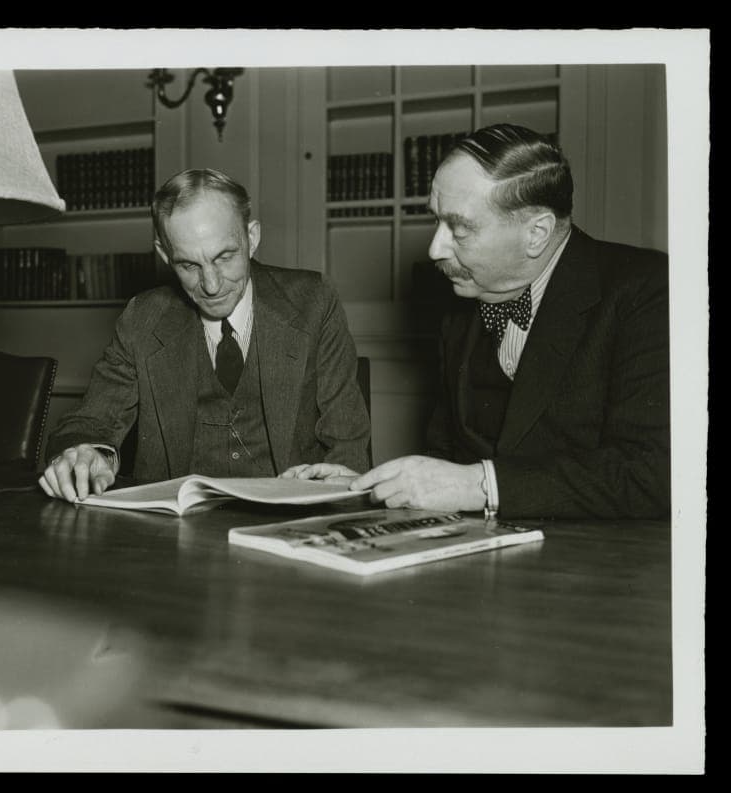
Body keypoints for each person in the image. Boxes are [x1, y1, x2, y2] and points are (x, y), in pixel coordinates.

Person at [283, 124, 670, 519]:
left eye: (460, 228)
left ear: (536, 233)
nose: (436, 248)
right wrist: (364, 490)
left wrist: (481, 485)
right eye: (436, 221)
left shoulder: (648, 291)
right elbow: (446, 463)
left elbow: (654, 474)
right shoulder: (463, 300)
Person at [40, 168, 370, 501]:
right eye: (188, 265)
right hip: (173, 535)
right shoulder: (143, 318)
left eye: (224, 257)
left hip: (289, 523)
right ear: (165, 255)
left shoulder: (313, 301)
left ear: (252, 238)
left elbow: (347, 444)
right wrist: (86, 455)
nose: (211, 285)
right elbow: (89, 423)